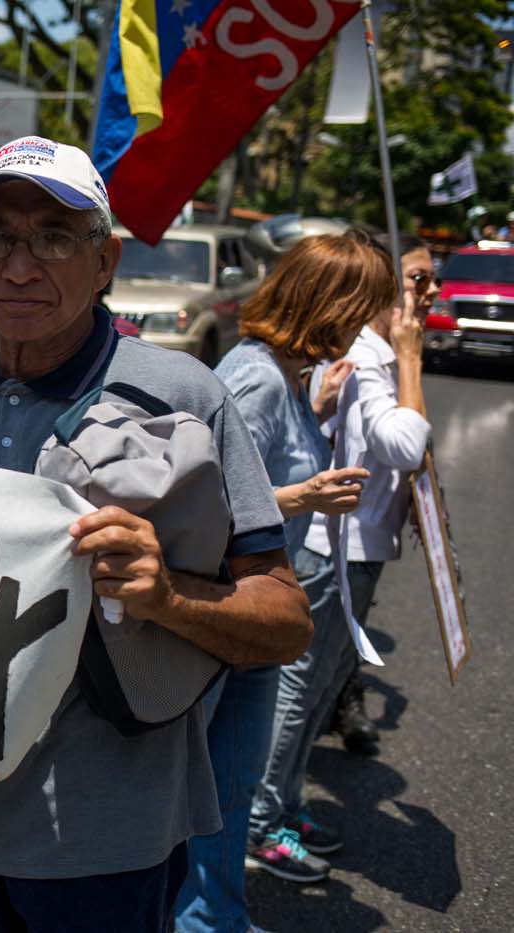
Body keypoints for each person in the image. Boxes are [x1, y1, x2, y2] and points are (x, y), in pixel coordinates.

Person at [0, 136, 312, 933]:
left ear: (106, 260)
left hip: (110, 844)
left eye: (53, 236)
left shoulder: (187, 394)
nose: (20, 266)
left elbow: (286, 617)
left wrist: (169, 596)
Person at [174, 232, 395, 932]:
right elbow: (207, 497)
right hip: (233, 612)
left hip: (260, 617)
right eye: (358, 312)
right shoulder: (259, 375)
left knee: (231, 791)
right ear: (323, 305)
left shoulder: (290, 375)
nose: (362, 331)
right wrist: (307, 496)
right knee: (208, 792)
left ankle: (216, 917)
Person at [247, 237, 433, 882]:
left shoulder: (309, 370)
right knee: (295, 693)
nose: (423, 297)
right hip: (305, 562)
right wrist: (409, 361)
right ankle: (257, 825)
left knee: (317, 690)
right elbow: (216, 502)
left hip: (327, 552)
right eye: (411, 284)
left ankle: (281, 808)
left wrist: (317, 411)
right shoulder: (275, 373)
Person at [325, 235, 440, 755]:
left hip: (367, 533)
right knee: (310, 677)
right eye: (419, 279)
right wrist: (410, 360)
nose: (432, 289)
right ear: (386, 288)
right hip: (346, 537)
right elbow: (402, 447)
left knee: (330, 661)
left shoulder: (386, 349)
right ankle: (267, 818)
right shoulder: (371, 355)